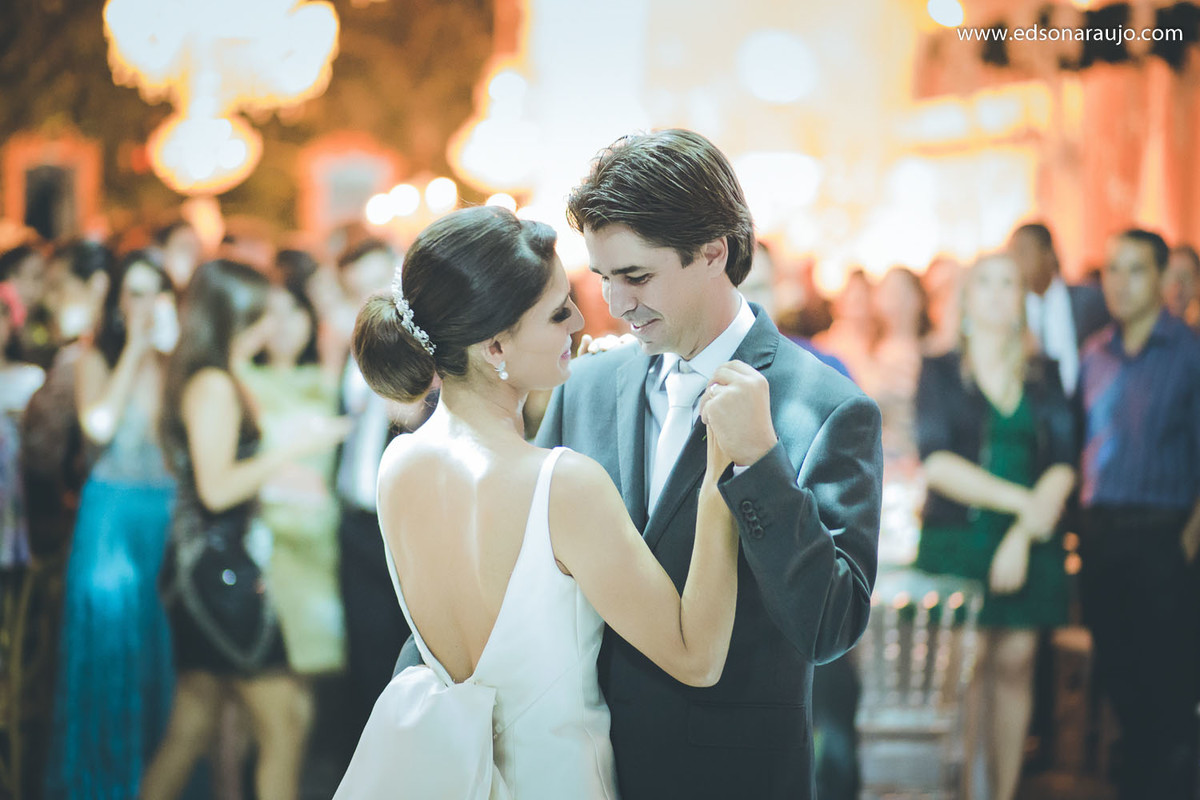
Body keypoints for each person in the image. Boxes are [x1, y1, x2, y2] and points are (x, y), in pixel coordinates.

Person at [335, 205, 740, 799]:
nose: (581, 319)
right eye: (557, 312)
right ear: (494, 346)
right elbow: (696, 655)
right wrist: (721, 472)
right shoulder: (562, 485)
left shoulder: (398, 464)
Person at [537, 129, 883, 799]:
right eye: (604, 278)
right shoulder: (583, 389)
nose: (616, 302)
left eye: (636, 276)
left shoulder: (827, 407)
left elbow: (829, 625)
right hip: (585, 769)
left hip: (734, 775)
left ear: (713, 252)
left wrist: (758, 463)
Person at [141, 260, 349, 800]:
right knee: (285, 724)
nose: (271, 327)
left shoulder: (217, 375)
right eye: (261, 315)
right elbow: (216, 489)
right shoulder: (212, 383)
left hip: (204, 566)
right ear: (236, 317)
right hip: (216, 571)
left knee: (190, 730)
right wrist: (290, 451)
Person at [913, 253, 1077, 800]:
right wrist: (1023, 504)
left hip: (1027, 545)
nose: (998, 293)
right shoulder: (938, 369)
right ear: (965, 299)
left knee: (1016, 664)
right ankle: (965, 791)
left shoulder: (1044, 371)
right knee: (966, 672)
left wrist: (1025, 531)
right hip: (959, 539)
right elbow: (937, 462)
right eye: (985, 282)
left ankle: (1002, 793)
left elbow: (1063, 460)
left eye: (1010, 283)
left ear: (1021, 301)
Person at [42, 250, 178, 799]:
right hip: (111, 520)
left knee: (151, 656)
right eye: (134, 292)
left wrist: (167, 354)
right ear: (119, 302)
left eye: (154, 291)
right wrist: (137, 352)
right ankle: (98, 785)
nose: (144, 304)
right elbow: (97, 425)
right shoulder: (95, 356)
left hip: (164, 521)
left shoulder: (180, 363)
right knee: (107, 651)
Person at [1078, 229, 1200, 800]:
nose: (1120, 283)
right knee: (1119, 672)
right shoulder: (1094, 353)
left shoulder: (1189, 351)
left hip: (1164, 537)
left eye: (1135, 270)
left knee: (1168, 680)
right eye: (1112, 269)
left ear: (1162, 279)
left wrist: (1189, 540)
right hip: (1102, 535)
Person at [1008, 222, 1109, 396]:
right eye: (1012, 254)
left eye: (1023, 251)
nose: (1016, 261)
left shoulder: (1090, 300)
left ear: (1048, 254)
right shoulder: (1011, 311)